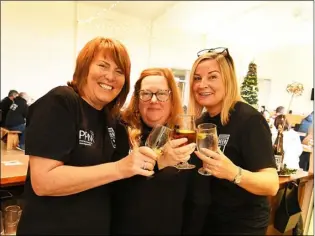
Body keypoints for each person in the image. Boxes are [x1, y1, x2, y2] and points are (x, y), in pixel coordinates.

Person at [16, 37, 158, 235]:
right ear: (84, 67)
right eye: (103, 65)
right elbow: (43, 182)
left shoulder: (112, 122)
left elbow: (118, 184)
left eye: (119, 71)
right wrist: (120, 167)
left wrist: (160, 162)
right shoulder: (62, 102)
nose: (111, 76)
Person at [188, 47, 279, 235]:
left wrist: (233, 173)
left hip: (241, 226)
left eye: (212, 77)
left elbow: (271, 184)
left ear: (228, 80)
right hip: (208, 221)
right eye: (197, 78)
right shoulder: (201, 122)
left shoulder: (250, 120)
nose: (202, 84)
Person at [111, 68, 207, 235]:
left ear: (172, 99)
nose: (153, 100)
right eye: (146, 93)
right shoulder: (120, 131)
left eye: (162, 93)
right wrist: (159, 163)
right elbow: (114, 192)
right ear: (137, 99)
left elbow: (198, 202)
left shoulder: (186, 137)